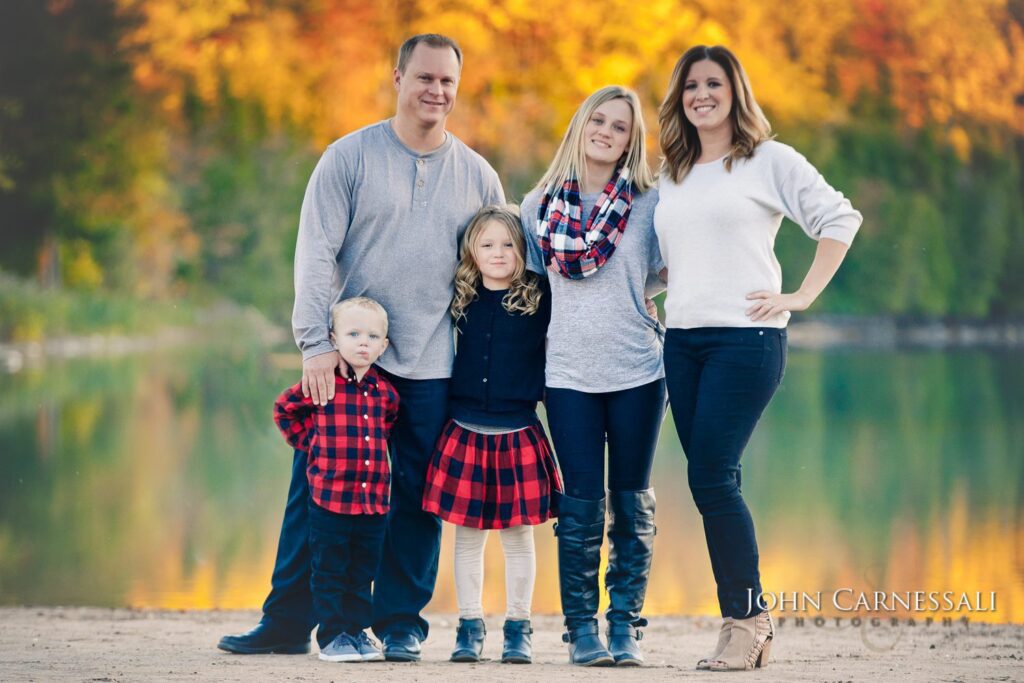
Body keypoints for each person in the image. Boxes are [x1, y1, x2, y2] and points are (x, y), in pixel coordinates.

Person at [217, 33, 504, 661]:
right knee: (314, 494)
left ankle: (400, 622)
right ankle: (289, 620)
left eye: (447, 82)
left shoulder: (479, 175)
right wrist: (315, 344)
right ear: (397, 77)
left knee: (418, 496)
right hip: (349, 364)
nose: (436, 91)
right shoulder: (348, 158)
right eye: (424, 77)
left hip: (433, 362)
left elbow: (496, 271)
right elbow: (315, 251)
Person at [654, 45, 863, 671]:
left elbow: (839, 217)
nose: (701, 95)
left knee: (710, 476)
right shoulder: (674, 171)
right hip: (682, 341)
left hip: (746, 340)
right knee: (716, 480)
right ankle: (745, 620)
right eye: (691, 86)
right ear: (679, 97)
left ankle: (747, 622)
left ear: (735, 91)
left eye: (713, 83)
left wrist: (799, 295)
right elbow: (675, 262)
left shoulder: (768, 160)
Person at [520, 85, 666, 667]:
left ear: (633, 140)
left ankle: (625, 626)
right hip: (568, 374)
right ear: (580, 125)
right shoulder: (537, 205)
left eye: (620, 126)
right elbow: (531, 292)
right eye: (598, 120)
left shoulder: (650, 204)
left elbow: (661, 274)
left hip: (637, 370)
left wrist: (631, 303)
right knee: (579, 505)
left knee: (632, 502)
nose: (606, 131)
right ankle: (582, 630)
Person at [421, 206, 561, 665]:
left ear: (522, 250)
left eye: (508, 245)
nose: (498, 253)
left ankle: (518, 627)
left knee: (519, 536)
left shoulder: (539, 297)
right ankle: (469, 625)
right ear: (471, 253)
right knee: (466, 537)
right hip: (464, 430)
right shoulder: (461, 296)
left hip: (518, 430)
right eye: (487, 245)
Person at [272, 298, 398, 662]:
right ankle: (332, 636)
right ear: (333, 339)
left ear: (383, 345)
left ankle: (356, 632)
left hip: (373, 501)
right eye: (354, 334)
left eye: (372, 336)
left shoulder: (385, 392)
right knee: (330, 568)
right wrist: (313, 446)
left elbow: (387, 424)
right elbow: (285, 411)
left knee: (362, 570)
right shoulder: (323, 383)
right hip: (331, 498)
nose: (363, 342)